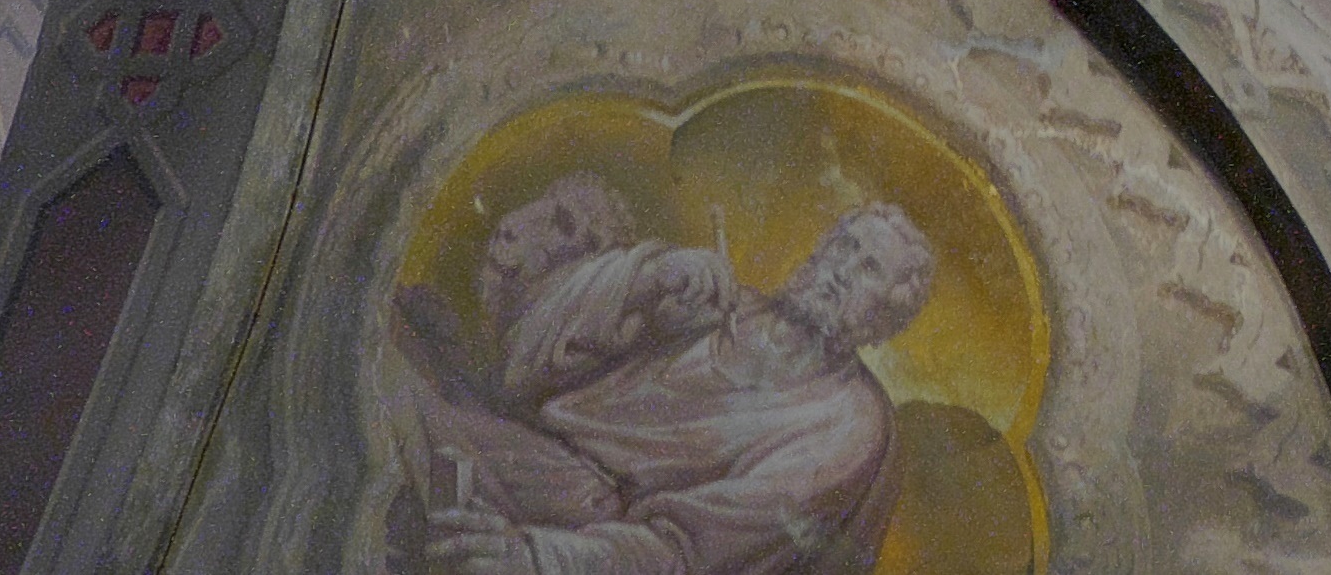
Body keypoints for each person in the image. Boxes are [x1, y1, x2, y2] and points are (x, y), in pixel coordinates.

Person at [391, 187, 937, 575]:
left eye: (868, 269)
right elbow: (532, 353)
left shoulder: (844, 428)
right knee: (399, 355)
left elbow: (694, 551)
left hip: (593, 535)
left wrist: (535, 558)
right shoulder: (731, 303)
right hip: (531, 452)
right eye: (844, 247)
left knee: (398, 403)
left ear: (886, 320)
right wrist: (646, 280)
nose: (841, 268)